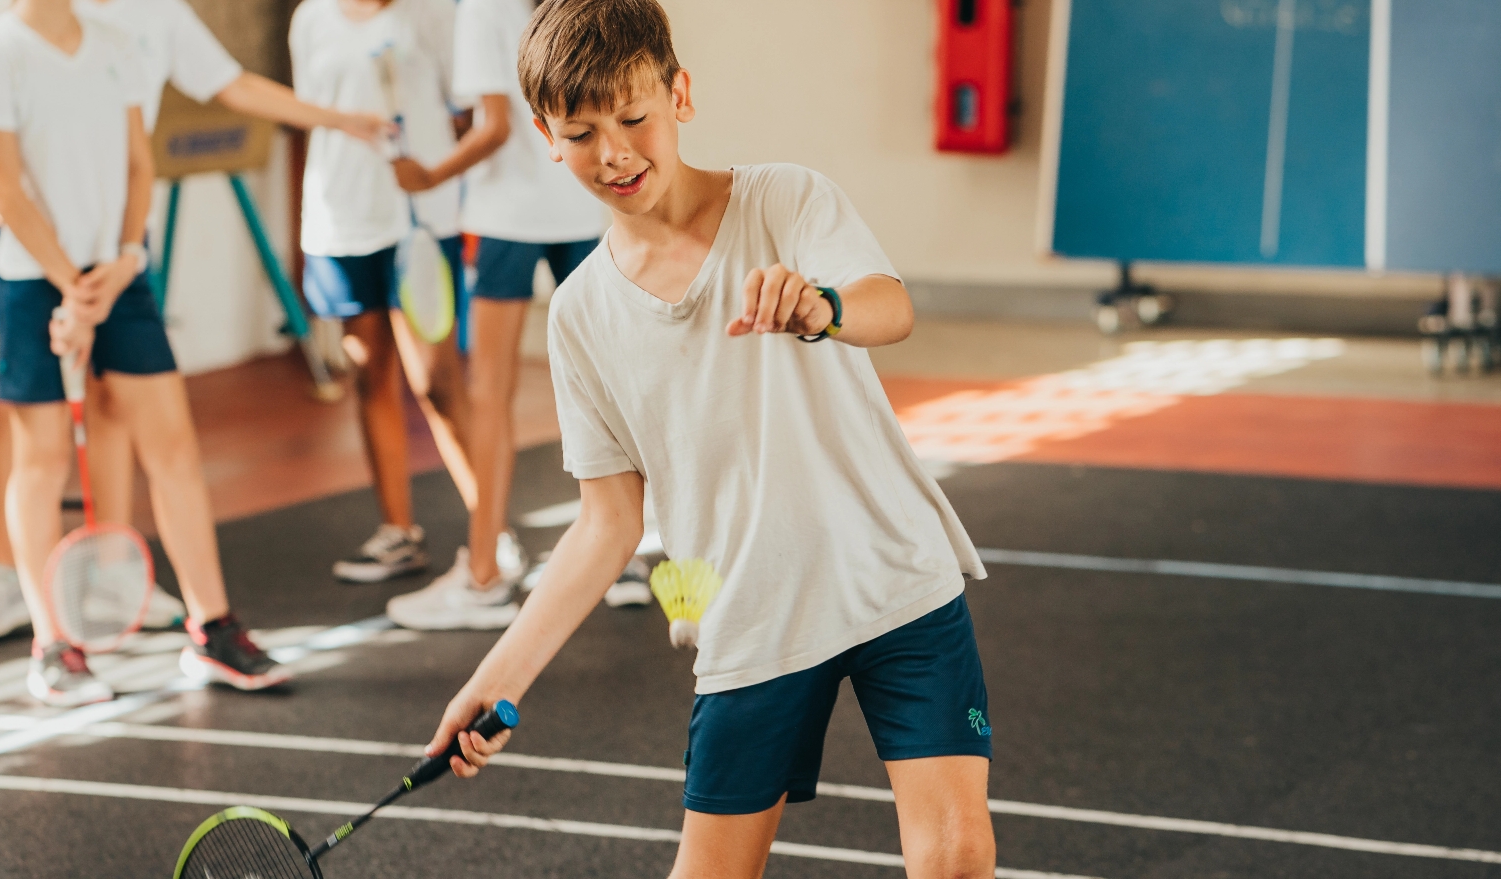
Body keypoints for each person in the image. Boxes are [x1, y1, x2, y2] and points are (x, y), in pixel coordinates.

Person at [423, 2, 998, 877]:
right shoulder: (580, 314)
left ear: (679, 94)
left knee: (956, 853)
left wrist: (824, 307)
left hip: (895, 580)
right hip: (752, 621)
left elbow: (890, 305)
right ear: (545, 137)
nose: (613, 153)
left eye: (633, 117)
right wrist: (497, 676)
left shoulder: (786, 199)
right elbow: (607, 522)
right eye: (580, 133)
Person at [0, 0, 390, 644]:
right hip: (32, 249)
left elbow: (230, 87)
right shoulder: (11, 34)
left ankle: (116, 573)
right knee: (9, 420)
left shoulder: (143, 23)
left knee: (122, 413)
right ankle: (15, 579)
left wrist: (339, 120)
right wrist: (67, 282)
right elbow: (0, 165)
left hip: (117, 250)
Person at [0, 0, 289, 705]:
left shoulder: (116, 45)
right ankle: (53, 646)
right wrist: (71, 290)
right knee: (41, 458)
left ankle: (212, 629)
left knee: (174, 449)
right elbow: (5, 192)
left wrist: (125, 259)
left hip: (119, 275)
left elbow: (140, 165)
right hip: (34, 281)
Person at [377, 0, 608, 630]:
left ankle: (482, 576)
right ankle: (632, 561)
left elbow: (496, 127)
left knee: (490, 394)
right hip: (580, 207)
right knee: (612, 387)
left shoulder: (483, 7)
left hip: (508, 218)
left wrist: (431, 176)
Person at [288, 0, 495, 594]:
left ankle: (493, 537)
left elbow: (467, 111)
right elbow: (310, 115)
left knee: (437, 383)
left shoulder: (428, 12)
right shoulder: (311, 18)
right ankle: (398, 532)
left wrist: (440, 178)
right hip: (341, 220)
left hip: (420, 221)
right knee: (369, 375)